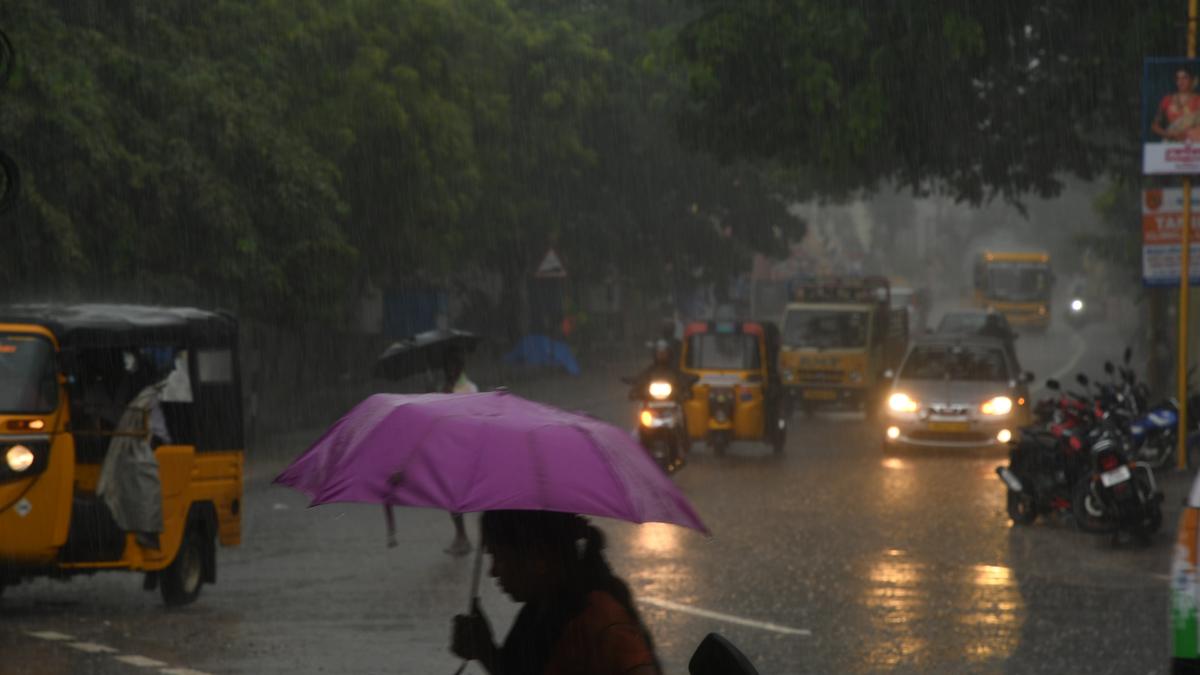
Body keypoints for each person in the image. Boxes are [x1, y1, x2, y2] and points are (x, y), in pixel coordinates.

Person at [451, 510, 661, 675]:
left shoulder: (601, 622)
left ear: (538, 559)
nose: (493, 572)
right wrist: (485, 651)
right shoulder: (539, 609)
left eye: (500, 557)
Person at [1152, 68, 1200, 142]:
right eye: (1178, 78)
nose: (1181, 81)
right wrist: (1169, 135)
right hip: (1170, 141)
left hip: (1193, 142)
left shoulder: (1198, 100)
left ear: (1192, 80)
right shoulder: (1167, 100)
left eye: (1185, 78)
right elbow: (1155, 126)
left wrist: (1189, 134)